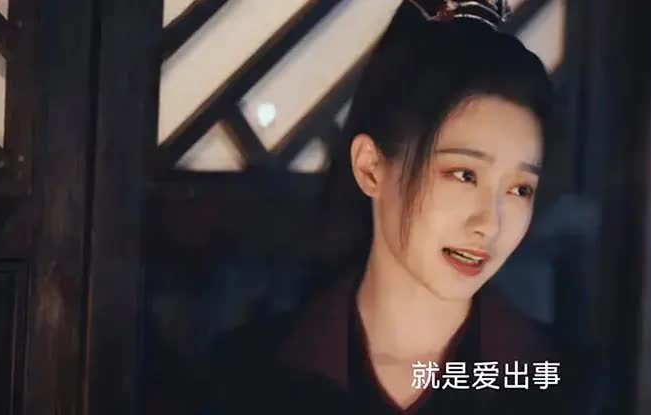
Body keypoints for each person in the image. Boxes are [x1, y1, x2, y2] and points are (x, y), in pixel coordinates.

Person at [207, 1, 594, 413]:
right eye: (464, 175)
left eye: (519, 189)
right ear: (370, 168)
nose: (491, 223)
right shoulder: (251, 375)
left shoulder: (566, 387)